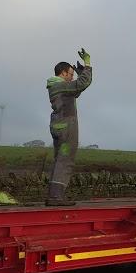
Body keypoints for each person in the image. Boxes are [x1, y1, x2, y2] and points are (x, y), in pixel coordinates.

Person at [45, 48, 93, 206]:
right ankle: (56, 197)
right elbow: (82, 84)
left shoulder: (57, 87)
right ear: (64, 73)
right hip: (66, 128)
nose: (71, 77)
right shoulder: (61, 86)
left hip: (58, 126)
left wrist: (80, 74)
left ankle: (54, 195)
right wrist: (87, 64)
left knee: (60, 160)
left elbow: (77, 89)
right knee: (65, 160)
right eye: (70, 74)